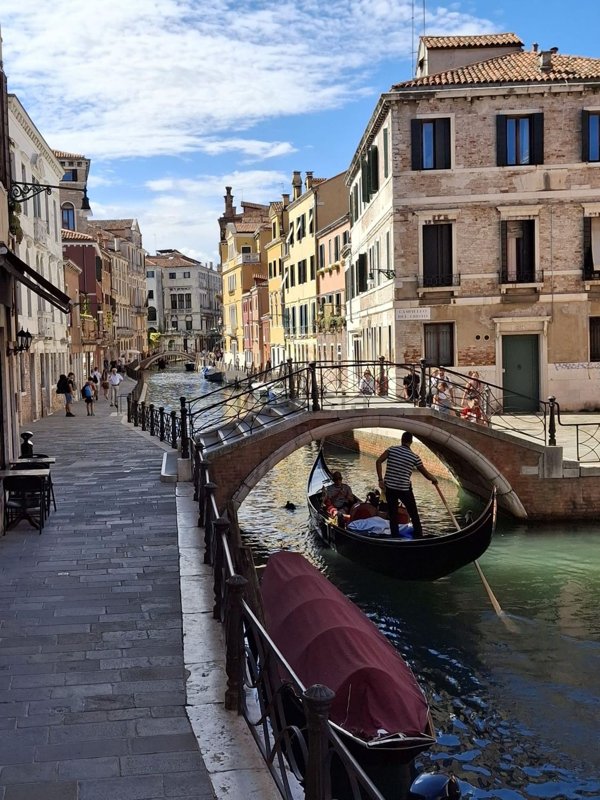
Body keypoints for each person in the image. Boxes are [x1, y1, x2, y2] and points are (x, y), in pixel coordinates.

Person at [376, 432, 438, 538]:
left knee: (393, 514)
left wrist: (380, 480)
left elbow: (378, 461)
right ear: (411, 442)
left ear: (401, 440)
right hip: (404, 490)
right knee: (414, 514)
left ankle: (395, 537)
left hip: (390, 488)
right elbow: (426, 474)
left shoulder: (391, 449)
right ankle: (418, 536)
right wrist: (434, 479)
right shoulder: (414, 457)